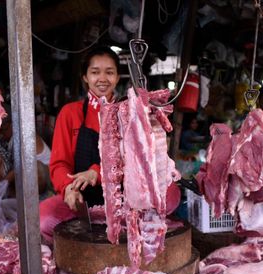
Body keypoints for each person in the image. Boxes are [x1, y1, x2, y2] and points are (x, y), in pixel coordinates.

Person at [39, 46, 180, 243]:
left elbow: (136, 162)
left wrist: (97, 172)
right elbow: (59, 163)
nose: (102, 78)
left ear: (117, 76)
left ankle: (130, 227)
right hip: (84, 200)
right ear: (85, 77)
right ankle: (78, 253)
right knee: (43, 218)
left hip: (126, 197)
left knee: (172, 194)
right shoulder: (70, 113)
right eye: (95, 72)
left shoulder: (128, 111)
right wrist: (68, 188)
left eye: (109, 72)